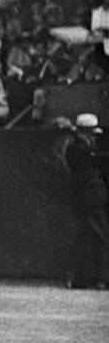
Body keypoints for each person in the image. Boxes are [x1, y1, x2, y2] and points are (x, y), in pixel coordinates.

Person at [64, 113, 108, 289]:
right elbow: (97, 158)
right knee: (100, 237)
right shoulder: (79, 149)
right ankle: (100, 279)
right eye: (91, 133)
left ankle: (81, 279)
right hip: (89, 199)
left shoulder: (82, 148)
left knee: (86, 237)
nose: (93, 138)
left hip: (88, 199)